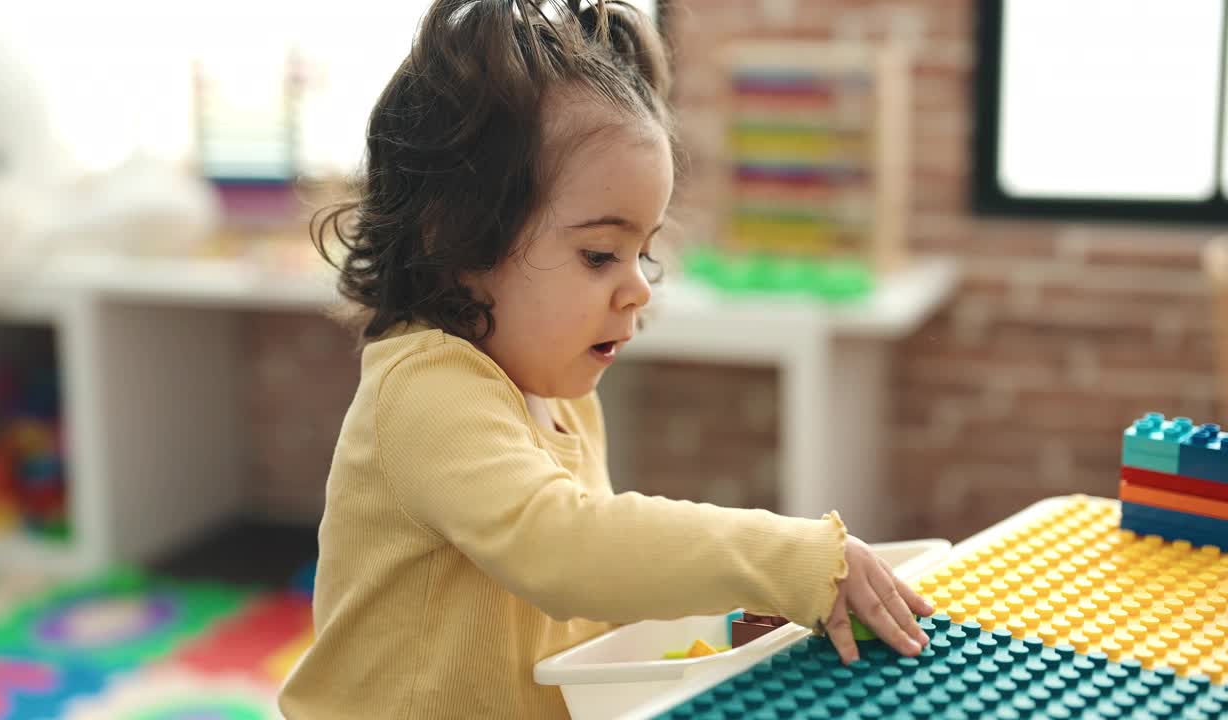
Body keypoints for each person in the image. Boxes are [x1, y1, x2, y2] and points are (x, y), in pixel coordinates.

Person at [278, 2, 932, 717]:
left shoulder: (560, 399)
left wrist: (726, 630)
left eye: (643, 251)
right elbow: (563, 550)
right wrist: (782, 560)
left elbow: (589, 602)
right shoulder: (425, 390)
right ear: (460, 239)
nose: (639, 285)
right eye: (600, 255)